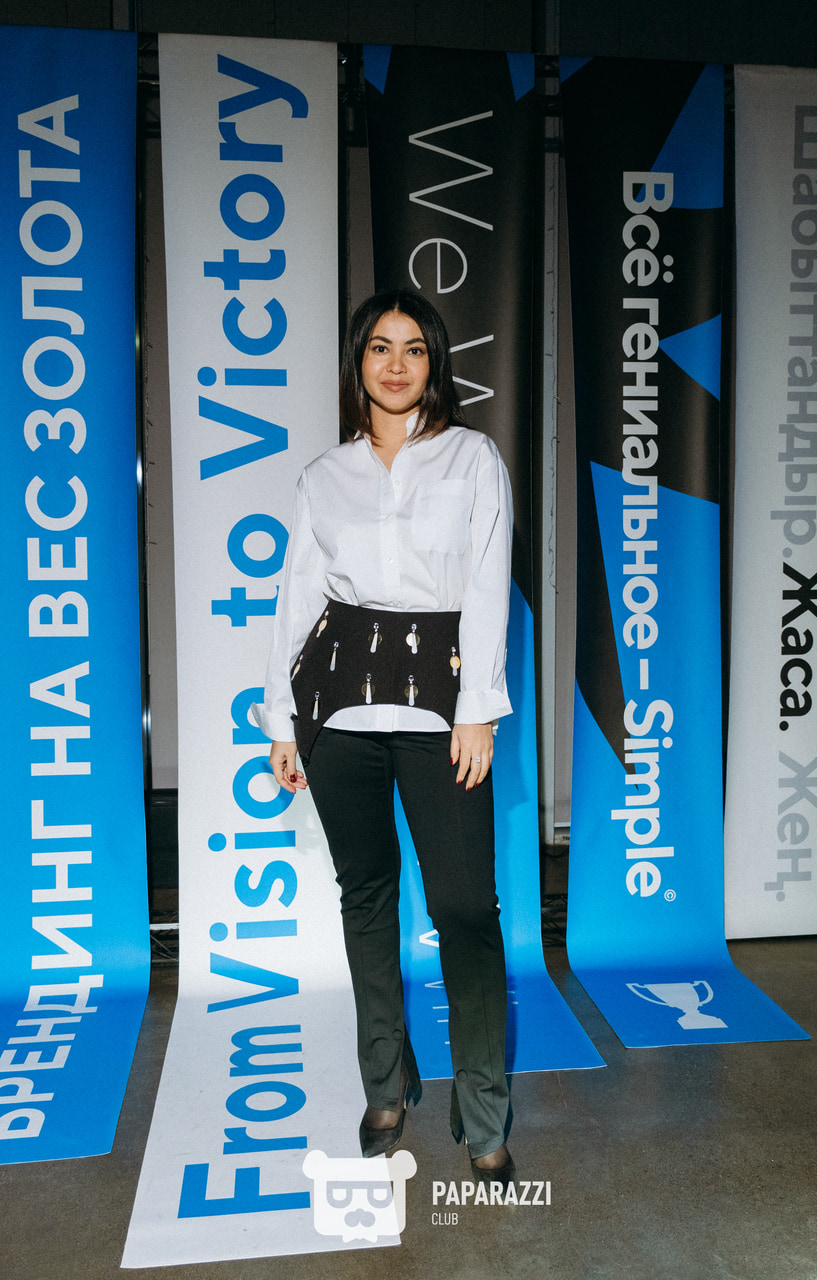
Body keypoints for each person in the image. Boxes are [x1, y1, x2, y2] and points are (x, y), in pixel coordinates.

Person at [251, 288, 514, 1185]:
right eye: (378, 347)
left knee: (465, 909)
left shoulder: (471, 458)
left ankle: (483, 1105)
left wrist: (476, 706)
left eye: (412, 348)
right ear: (357, 363)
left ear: (434, 363)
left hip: (441, 710)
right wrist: (282, 719)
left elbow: (487, 585)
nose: (395, 364)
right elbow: (297, 597)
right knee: (365, 896)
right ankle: (385, 1081)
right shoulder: (323, 475)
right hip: (338, 712)